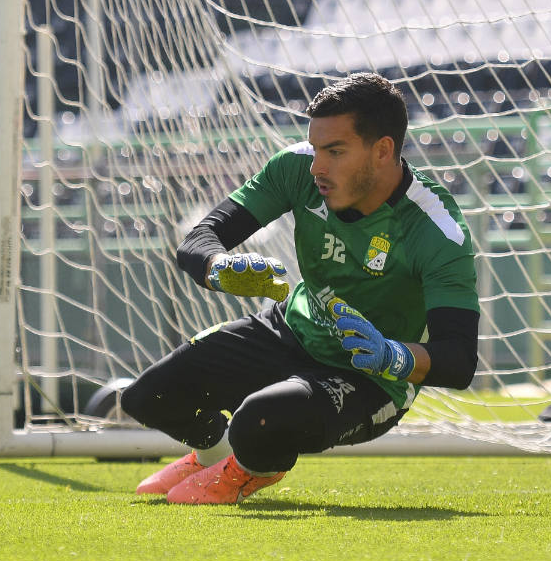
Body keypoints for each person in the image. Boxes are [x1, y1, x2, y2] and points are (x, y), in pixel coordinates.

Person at [120, 72, 480, 504]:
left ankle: (252, 466)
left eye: (335, 151)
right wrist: (219, 267)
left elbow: (459, 359)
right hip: (293, 328)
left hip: (369, 377)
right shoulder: (297, 168)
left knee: (259, 420)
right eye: (315, 148)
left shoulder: (437, 230)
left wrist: (391, 354)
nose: (317, 167)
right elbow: (199, 238)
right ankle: (215, 454)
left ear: (383, 150)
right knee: (147, 397)